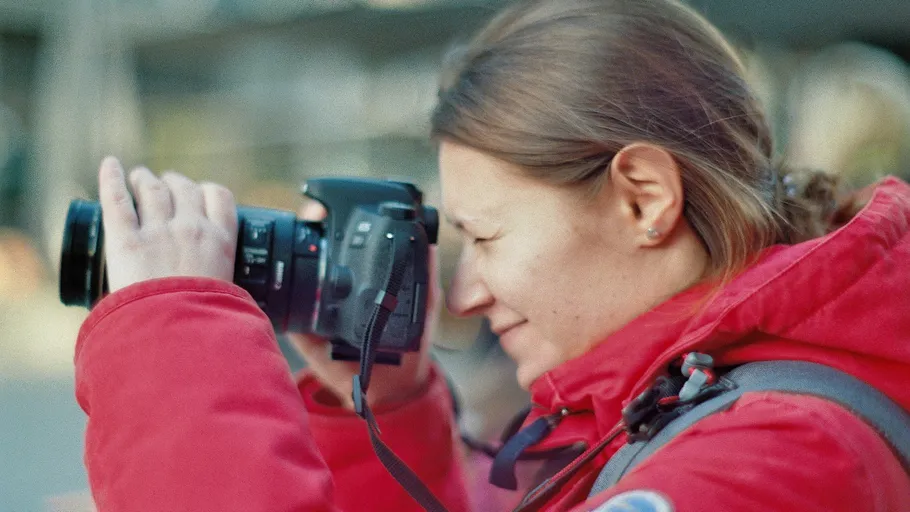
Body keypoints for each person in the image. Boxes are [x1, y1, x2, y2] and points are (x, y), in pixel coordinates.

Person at [72, 0, 910, 511]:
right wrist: (384, 415)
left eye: (487, 237)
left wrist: (173, 349)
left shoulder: (775, 460)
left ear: (643, 199)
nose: (464, 295)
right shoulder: (687, 400)